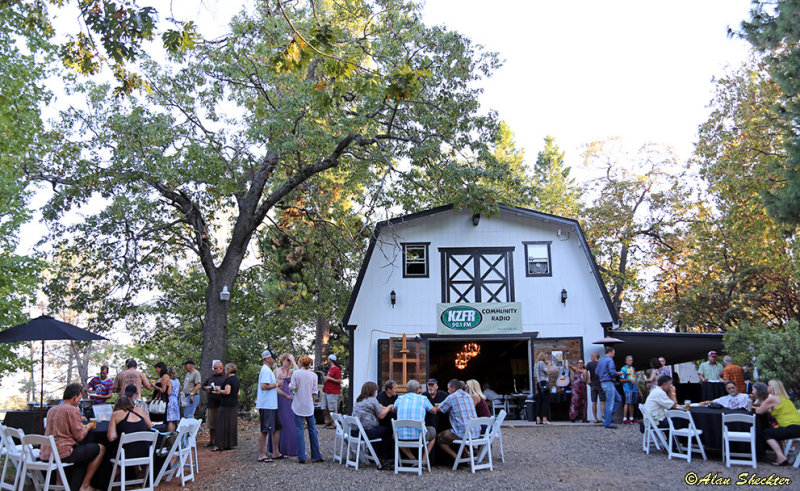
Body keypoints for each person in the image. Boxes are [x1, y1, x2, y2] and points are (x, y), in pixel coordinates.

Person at [40, 384, 106, 491]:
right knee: (100, 448)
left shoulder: (52, 410)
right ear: (74, 397)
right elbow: (79, 436)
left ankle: (63, 482)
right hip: (63, 453)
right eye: (79, 398)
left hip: (47, 453)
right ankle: (85, 486)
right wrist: (88, 426)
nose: (79, 401)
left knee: (82, 452)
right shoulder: (72, 410)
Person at [751, 381, 800, 466]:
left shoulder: (772, 398)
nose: (767, 387)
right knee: (775, 431)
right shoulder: (784, 398)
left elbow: (759, 411)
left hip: (791, 427)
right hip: (797, 427)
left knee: (766, 433)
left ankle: (781, 457)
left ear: (773, 388)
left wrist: (751, 406)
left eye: (769, 386)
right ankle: (781, 455)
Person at [289, 355, 324, 463]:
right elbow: (315, 392)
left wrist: (291, 386)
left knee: (299, 430)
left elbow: (292, 387)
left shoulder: (296, 373)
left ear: (300, 362)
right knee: (312, 430)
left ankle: (302, 457)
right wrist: (312, 403)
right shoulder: (313, 375)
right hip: (309, 405)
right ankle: (316, 455)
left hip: (298, 404)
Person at [434, 379, 478, 460]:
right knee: (460, 430)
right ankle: (466, 454)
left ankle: (457, 458)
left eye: (448, 388)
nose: (448, 391)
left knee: (439, 437)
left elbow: (439, 409)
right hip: (475, 432)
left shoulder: (452, 397)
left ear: (453, 388)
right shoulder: (468, 396)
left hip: (463, 433)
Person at [352, 381, 394, 466]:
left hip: (355, 431)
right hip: (365, 432)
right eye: (376, 390)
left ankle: (375, 454)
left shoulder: (359, 400)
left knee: (380, 429)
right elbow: (381, 416)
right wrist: (388, 408)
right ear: (372, 391)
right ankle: (385, 457)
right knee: (388, 430)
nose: (377, 392)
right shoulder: (372, 400)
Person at [394, 379, 437, 461]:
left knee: (395, 436)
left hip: (401, 436)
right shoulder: (423, 399)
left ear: (406, 390)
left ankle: (413, 459)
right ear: (417, 390)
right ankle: (423, 460)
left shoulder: (400, 399)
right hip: (419, 436)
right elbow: (433, 411)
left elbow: (394, 409)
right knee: (433, 433)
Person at [107, 396, 152, 462]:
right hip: (145, 452)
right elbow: (150, 426)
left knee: (111, 449)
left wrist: (119, 433)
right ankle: (138, 470)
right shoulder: (139, 410)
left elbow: (111, 437)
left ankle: (117, 471)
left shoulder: (116, 414)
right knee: (135, 444)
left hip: (125, 454)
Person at [257, 349, 283, 463]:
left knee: (277, 427)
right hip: (266, 404)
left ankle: (276, 452)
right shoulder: (266, 370)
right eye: (273, 358)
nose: (274, 359)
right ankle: (262, 454)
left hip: (272, 405)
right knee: (265, 429)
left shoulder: (268, 370)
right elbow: (264, 386)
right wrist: (277, 384)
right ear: (267, 358)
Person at [274, 353, 298, 457]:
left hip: (289, 398)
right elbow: (274, 385)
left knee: (291, 422)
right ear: (282, 360)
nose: (288, 363)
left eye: (289, 361)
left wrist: (293, 361)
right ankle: (278, 449)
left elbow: (299, 373)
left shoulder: (292, 371)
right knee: (280, 422)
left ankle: (291, 448)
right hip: (279, 397)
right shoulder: (276, 371)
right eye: (287, 360)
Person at [213, 363, 240, 451]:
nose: (225, 371)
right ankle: (230, 443)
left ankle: (220, 444)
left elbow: (227, 392)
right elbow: (238, 393)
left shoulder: (228, 380)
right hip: (234, 403)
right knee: (231, 424)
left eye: (226, 369)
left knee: (222, 423)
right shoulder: (236, 380)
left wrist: (219, 390)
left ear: (228, 370)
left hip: (226, 404)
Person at [596, 346, 622, 429]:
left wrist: (602, 375)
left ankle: (608, 416)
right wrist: (619, 373)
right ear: (610, 352)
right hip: (609, 382)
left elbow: (596, 372)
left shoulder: (600, 361)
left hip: (603, 383)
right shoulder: (610, 360)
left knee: (618, 399)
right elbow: (612, 372)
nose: (614, 355)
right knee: (609, 403)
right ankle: (607, 422)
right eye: (613, 353)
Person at [202, 361, 227, 447]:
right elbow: (203, 385)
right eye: (213, 368)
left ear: (221, 368)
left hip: (222, 403)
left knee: (221, 424)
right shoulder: (211, 376)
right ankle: (211, 440)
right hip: (211, 403)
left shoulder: (225, 377)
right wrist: (206, 389)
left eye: (215, 368)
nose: (214, 370)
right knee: (211, 424)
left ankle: (220, 441)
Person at [322, 353, 342, 429]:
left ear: (331, 360)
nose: (327, 360)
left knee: (333, 408)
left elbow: (339, 381)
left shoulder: (337, 369)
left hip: (333, 392)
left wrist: (329, 378)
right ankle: (330, 421)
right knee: (324, 407)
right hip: (326, 390)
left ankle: (335, 424)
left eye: (328, 359)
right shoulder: (330, 369)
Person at [533, 351, 552, 424]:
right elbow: (548, 372)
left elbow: (535, 376)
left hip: (538, 383)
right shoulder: (542, 363)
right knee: (545, 401)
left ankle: (538, 418)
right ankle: (544, 418)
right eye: (546, 357)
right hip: (544, 382)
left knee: (539, 401)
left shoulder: (536, 364)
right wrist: (549, 365)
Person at [586, 351, 605, 424]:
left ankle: (595, 418)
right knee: (602, 402)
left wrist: (587, 380)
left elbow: (585, 372)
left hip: (593, 384)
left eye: (591, 356)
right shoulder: (601, 364)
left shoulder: (589, 364)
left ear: (594, 357)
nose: (591, 358)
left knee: (594, 402)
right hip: (600, 384)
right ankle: (603, 418)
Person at [621, 355, 640, 425]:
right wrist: (628, 379)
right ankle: (625, 418)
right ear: (626, 361)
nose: (630, 361)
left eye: (631, 360)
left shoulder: (633, 368)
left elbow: (635, 379)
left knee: (632, 403)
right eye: (629, 360)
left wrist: (639, 390)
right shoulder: (623, 369)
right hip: (627, 388)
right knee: (627, 403)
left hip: (634, 389)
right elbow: (621, 380)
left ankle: (631, 417)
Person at [166, 367, 181, 431]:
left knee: (170, 420)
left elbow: (169, 392)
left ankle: (170, 436)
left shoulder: (169, 381)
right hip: (176, 400)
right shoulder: (177, 381)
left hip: (171, 400)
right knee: (175, 419)